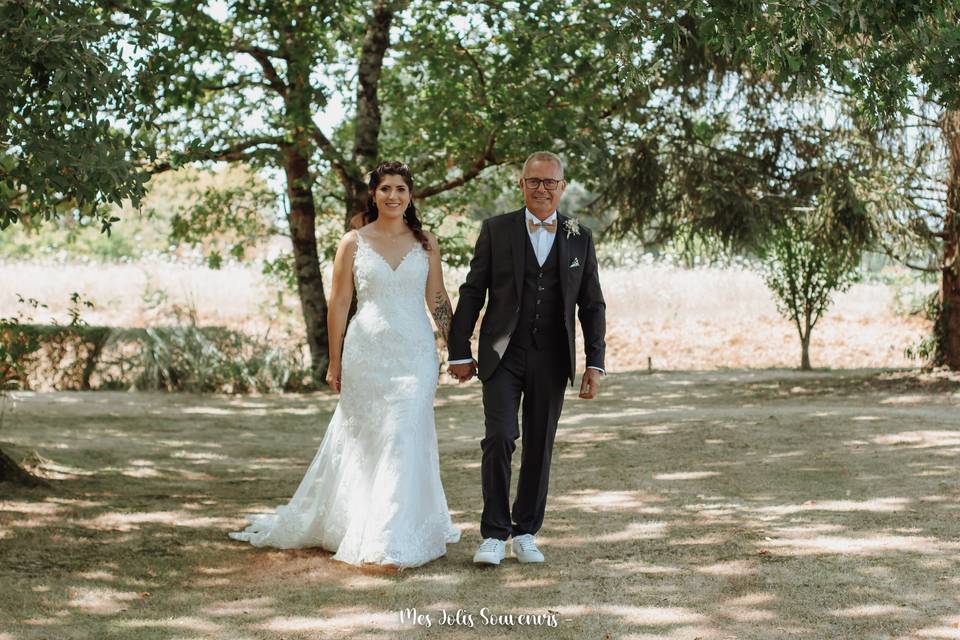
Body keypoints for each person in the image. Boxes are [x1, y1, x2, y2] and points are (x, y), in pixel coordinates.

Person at [229, 161, 461, 569]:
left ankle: (390, 538)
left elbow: (437, 297)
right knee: (371, 439)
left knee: (403, 433)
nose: (393, 196)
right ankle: (362, 524)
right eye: (385, 188)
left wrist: (458, 346)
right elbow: (338, 303)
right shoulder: (352, 242)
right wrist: (334, 360)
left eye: (401, 189)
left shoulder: (426, 242)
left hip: (415, 354)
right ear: (373, 194)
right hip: (366, 351)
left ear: (411, 196)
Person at [447, 151, 606, 566]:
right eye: (534, 181)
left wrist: (595, 362)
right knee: (499, 437)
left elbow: (592, 305)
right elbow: (472, 292)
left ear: (562, 187)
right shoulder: (496, 230)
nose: (542, 189)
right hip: (503, 354)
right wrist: (459, 349)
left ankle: (526, 531)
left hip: (552, 358)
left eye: (550, 182)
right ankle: (494, 534)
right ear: (521, 184)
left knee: (540, 445)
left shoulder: (579, 236)